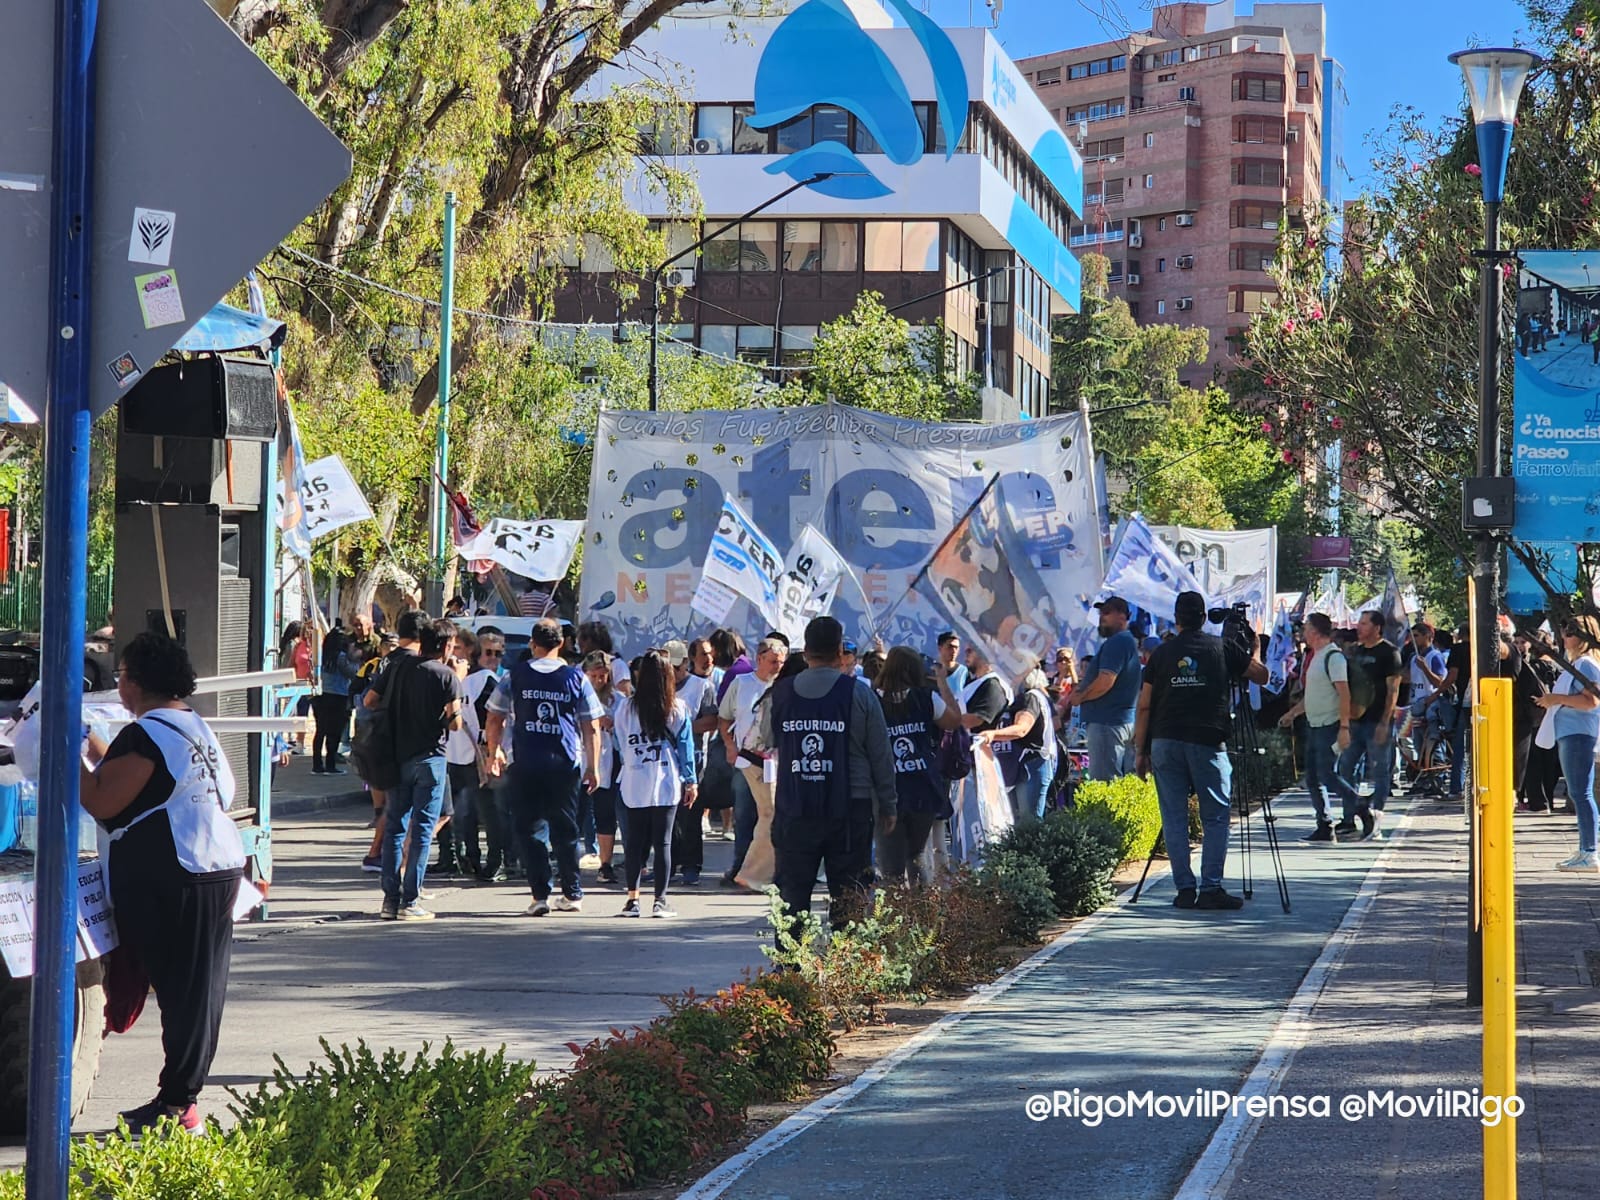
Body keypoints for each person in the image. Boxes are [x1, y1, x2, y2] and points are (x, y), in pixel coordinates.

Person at [79, 632, 245, 1134]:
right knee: (199, 988)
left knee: (181, 991)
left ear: (138, 682)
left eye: (122, 675)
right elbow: (140, 778)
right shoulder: (190, 725)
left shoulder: (146, 734)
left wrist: (60, 754)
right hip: (212, 866)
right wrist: (94, 746)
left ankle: (178, 1102)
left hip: (175, 872)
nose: (118, 684)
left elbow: (104, 800)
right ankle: (180, 1097)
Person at [758, 616, 897, 942]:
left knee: (792, 895)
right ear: (839, 650)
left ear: (805, 651)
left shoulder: (781, 693)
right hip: (850, 809)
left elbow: (765, 739)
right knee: (849, 894)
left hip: (795, 805)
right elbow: (881, 755)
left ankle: (789, 971)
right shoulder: (859, 694)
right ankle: (847, 968)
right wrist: (888, 804)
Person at [1134, 591, 1269, 911]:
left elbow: (1144, 706)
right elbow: (1260, 677)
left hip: (1165, 741)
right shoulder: (1222, 647)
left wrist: (1141, 751)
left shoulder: (1161, 654)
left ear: (1177, 620)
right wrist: (1256, 650)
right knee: (1216, 816)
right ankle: (1210, 888)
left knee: (1174, 817)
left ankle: (1184, 890)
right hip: (1207, 740)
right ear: (1204, 618)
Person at [485, 617, 604, 915]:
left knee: (529, 829)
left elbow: (494, 717)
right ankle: (573, 893)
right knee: (566, 830)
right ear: (561, 643)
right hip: (564, 765)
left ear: (532, 644)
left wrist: (493, 752)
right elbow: (592, 726)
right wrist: (594, 766)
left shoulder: (514, 675)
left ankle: (540, 896)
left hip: (525, 762)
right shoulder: (577, 678)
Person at [366, 615, 467, 920]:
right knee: (422, 830)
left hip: (397, 756)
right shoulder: (446, 676)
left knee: (395, 826)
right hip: (431, 758)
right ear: (447, 645)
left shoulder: (397, 667)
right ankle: (410, 901)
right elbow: (456, 723)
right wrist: (458, 679)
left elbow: (370, 699)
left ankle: (389, 900)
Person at [612, 651, 698, 916]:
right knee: (663, 842)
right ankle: (660, 900)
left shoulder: (626, 707)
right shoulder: (677, 708)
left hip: (634, 778)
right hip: (666, 779)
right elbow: (686, 747)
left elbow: (620, 741)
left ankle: (632, 900)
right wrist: (691, 781)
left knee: (634, 842)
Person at [875, 646, 963, 884]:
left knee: (890, 866)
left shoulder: (871, 699)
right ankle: (922, 914)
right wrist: (943, 683)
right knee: (917, 856)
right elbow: (955, 721)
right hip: (922, 787)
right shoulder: (926, 698)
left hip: (886, 789)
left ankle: (893, 915)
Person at [1277, 613, 1362, 842]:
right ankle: (1325, 826)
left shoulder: (1333, 657)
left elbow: (1344, 693)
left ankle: (1361, 807)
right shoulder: (1316, 656)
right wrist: (1293, 713)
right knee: (1314, 777)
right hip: (1315, 726)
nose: (1302, 632)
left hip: (1329, 726)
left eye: (1306, 628)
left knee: (1327, 775)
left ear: (1314, 631)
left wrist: (1344, 727)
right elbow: (1313, 695)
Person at [717, 637, 788, 887]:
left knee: (770, 814)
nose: (777, 666)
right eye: (772, 661)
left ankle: (758, 872)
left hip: (775, 762)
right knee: (746, 815)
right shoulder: (741, 683)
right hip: (746, 759)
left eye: (781, 662)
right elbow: (724, 719)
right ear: (759, 659)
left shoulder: (786, 686)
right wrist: (730, 747)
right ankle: (742, 866)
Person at [1534, 616, 1600, 871]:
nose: (1564, 637)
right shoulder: (1579, 664)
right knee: (1579, 792)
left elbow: (1591, 701)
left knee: (1580, 793)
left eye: (1571, 633)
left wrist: (1555, 699)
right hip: (1572, 732)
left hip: (1578, 733)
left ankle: (1590, 851)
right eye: (1564, 631)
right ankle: (1586, 848)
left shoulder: (1585, 664)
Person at [1336, 609, 1402, 838]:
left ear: (1377, 627)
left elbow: (1393, 690)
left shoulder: (1390, 653)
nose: (1358, 627)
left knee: (1380, 770)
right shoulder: (1354, 652)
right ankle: (1349, 817)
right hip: (1355, 722)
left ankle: (1376, 815)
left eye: (1364, 623)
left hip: (1377, 721)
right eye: (1359, 623)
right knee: (1345, 768)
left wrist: (1385, 722)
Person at [456, 628, 508, 880]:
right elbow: (491, 718)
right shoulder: (483, 680)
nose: (494, 658)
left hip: (468, 755)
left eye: (499, 653)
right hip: (475, 756)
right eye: (489, 652)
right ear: (478, 653)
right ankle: (482, 860)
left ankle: (484, 860)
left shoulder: (475, 679)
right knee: (482, 812)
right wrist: (491, 749)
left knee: (477, 812)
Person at [1073, 596, 1143, 781]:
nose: (1101, 617)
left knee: (1104, 786)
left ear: (1122, 616)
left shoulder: (1118, 641)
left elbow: (1106, 680)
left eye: (1106, 612)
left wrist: (1081, 696)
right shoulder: (1124, 641)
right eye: (1100, 613)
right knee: (1118, 784)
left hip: (1107, 723)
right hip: (1117, 721)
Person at [977, 666, 1059, 825]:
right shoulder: (1022, 698)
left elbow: (1022, 728)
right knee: (1014, 822)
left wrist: (993, 734)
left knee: (1029, 824)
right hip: (1020, 765)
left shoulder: (1030, 698)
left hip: (1031, 766)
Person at [582, 650, 627, 886]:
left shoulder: (618, 701)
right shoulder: (577, 695)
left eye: (603, 676)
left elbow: (627, 732)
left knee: (605, 814)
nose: (600, 681)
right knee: (574, 814)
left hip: (607, 763)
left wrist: (612, 725)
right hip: (578, 761)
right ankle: (566, 861)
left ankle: (605, 863)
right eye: (595, 676)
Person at [936, 630, 968, 695]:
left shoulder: (964, 673)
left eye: (956, 648)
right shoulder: (931, 670)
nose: (954, 651)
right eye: (950, 647)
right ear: (940, 648)